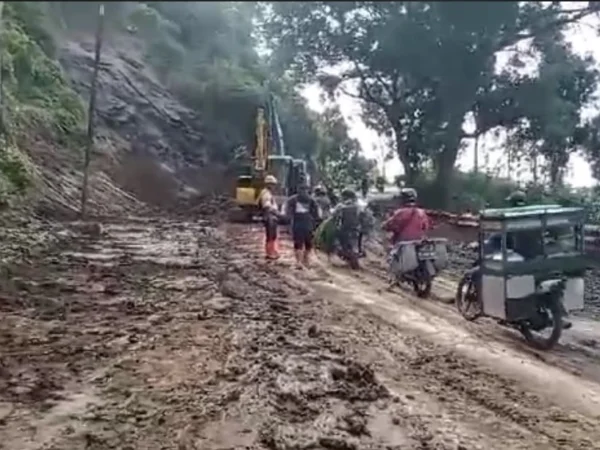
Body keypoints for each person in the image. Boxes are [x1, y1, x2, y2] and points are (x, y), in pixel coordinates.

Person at [285, 183, 320, 268]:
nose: (304, 192)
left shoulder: (293, 199)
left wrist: (287, 221)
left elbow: (288, 213)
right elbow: (317, 214)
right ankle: (303, 261)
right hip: (306, 224)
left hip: (300, 224)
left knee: (301, 243)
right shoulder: (311, 200)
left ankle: (300, 261)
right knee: (305, 243)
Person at [332, 188, 362, 265]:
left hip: (344, 229)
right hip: (357, 229)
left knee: (334, 239)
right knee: (357, 242)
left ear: (345, 196)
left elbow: (334, 214)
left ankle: (342, 252)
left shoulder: (341, 205)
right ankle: (356, 253)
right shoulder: (359, 205)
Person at [258, 175, 281, 260]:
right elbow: (267, 206)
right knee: (271, 235)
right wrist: (277, 213)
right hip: (269, 216)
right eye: (273, 184)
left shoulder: (268, 193)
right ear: (269, 184)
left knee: (273, 235)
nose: (274, 186)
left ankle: (272, 251)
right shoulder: (266, 194)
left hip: (271, 215)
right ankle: (270, 253)